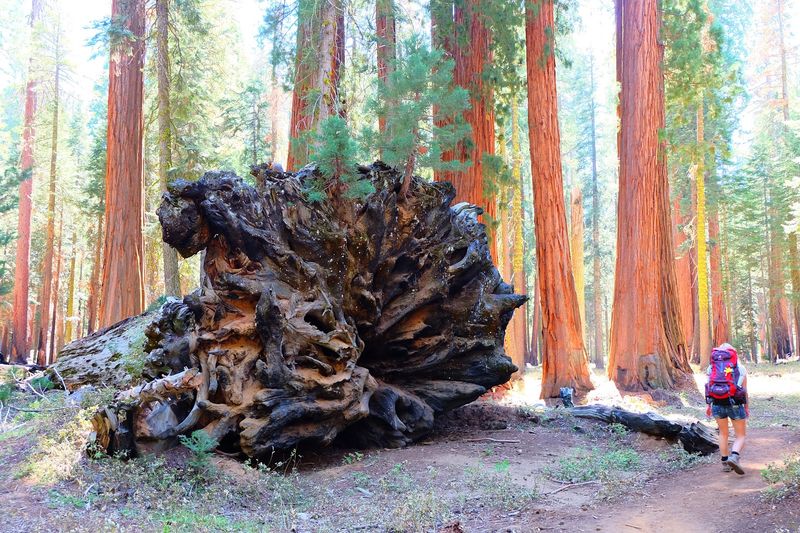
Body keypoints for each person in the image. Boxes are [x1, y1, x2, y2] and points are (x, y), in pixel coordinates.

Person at [706, 342, 748, 475]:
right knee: (740, 435)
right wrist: (746, 407)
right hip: (735, 404)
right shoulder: (740, 368)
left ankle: (725, 462)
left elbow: (708, 387)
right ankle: (734, 457)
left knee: (723, 433)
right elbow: (745, 391)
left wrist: (708, 406)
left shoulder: (711, 367)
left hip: (717, 404)